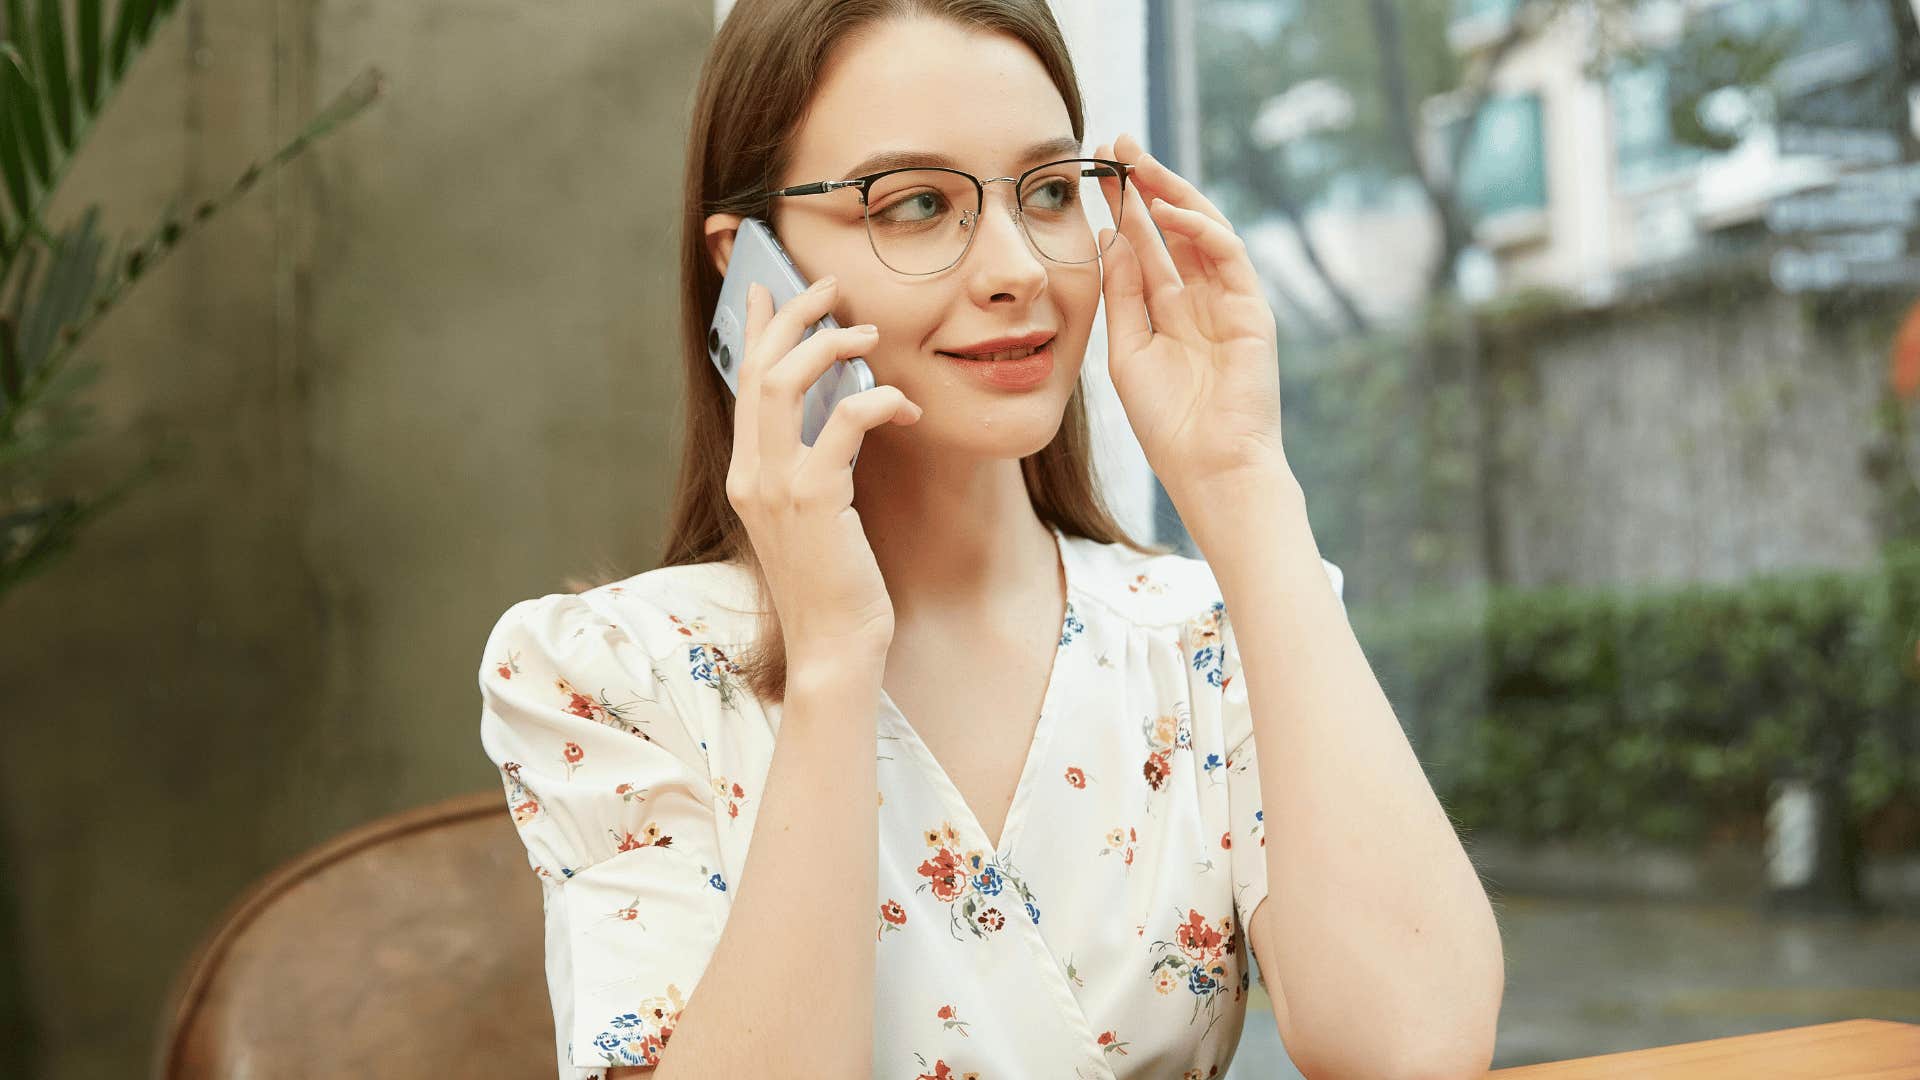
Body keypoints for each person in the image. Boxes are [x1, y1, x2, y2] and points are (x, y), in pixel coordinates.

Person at [478, 2, 1504, 1078]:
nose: (1017, 266)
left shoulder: (1201, 640)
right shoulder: (613, 676)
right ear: (750, 271)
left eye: (1052, 191)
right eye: (917, 204)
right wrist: (832, 659)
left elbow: (1419, 1050)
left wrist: (1246, 487)